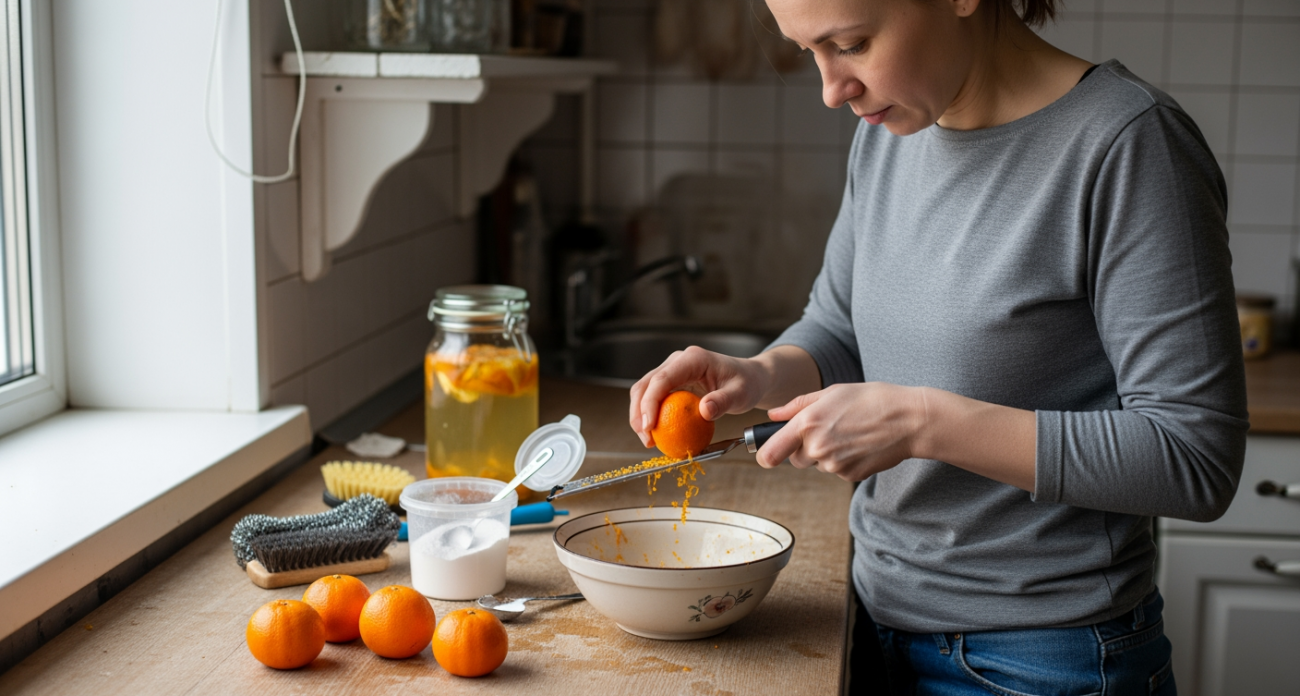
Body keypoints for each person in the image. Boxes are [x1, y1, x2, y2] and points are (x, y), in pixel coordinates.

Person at [628, 0, 1247, 694]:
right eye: (810, 54)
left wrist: (925, 424)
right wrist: (757, 373)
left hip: (1045, 661)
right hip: (869, 624)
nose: (832, 91)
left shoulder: (1128, 145)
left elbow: (1194, 458)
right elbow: (839, 329)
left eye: (853, 44)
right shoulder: (891, 130)